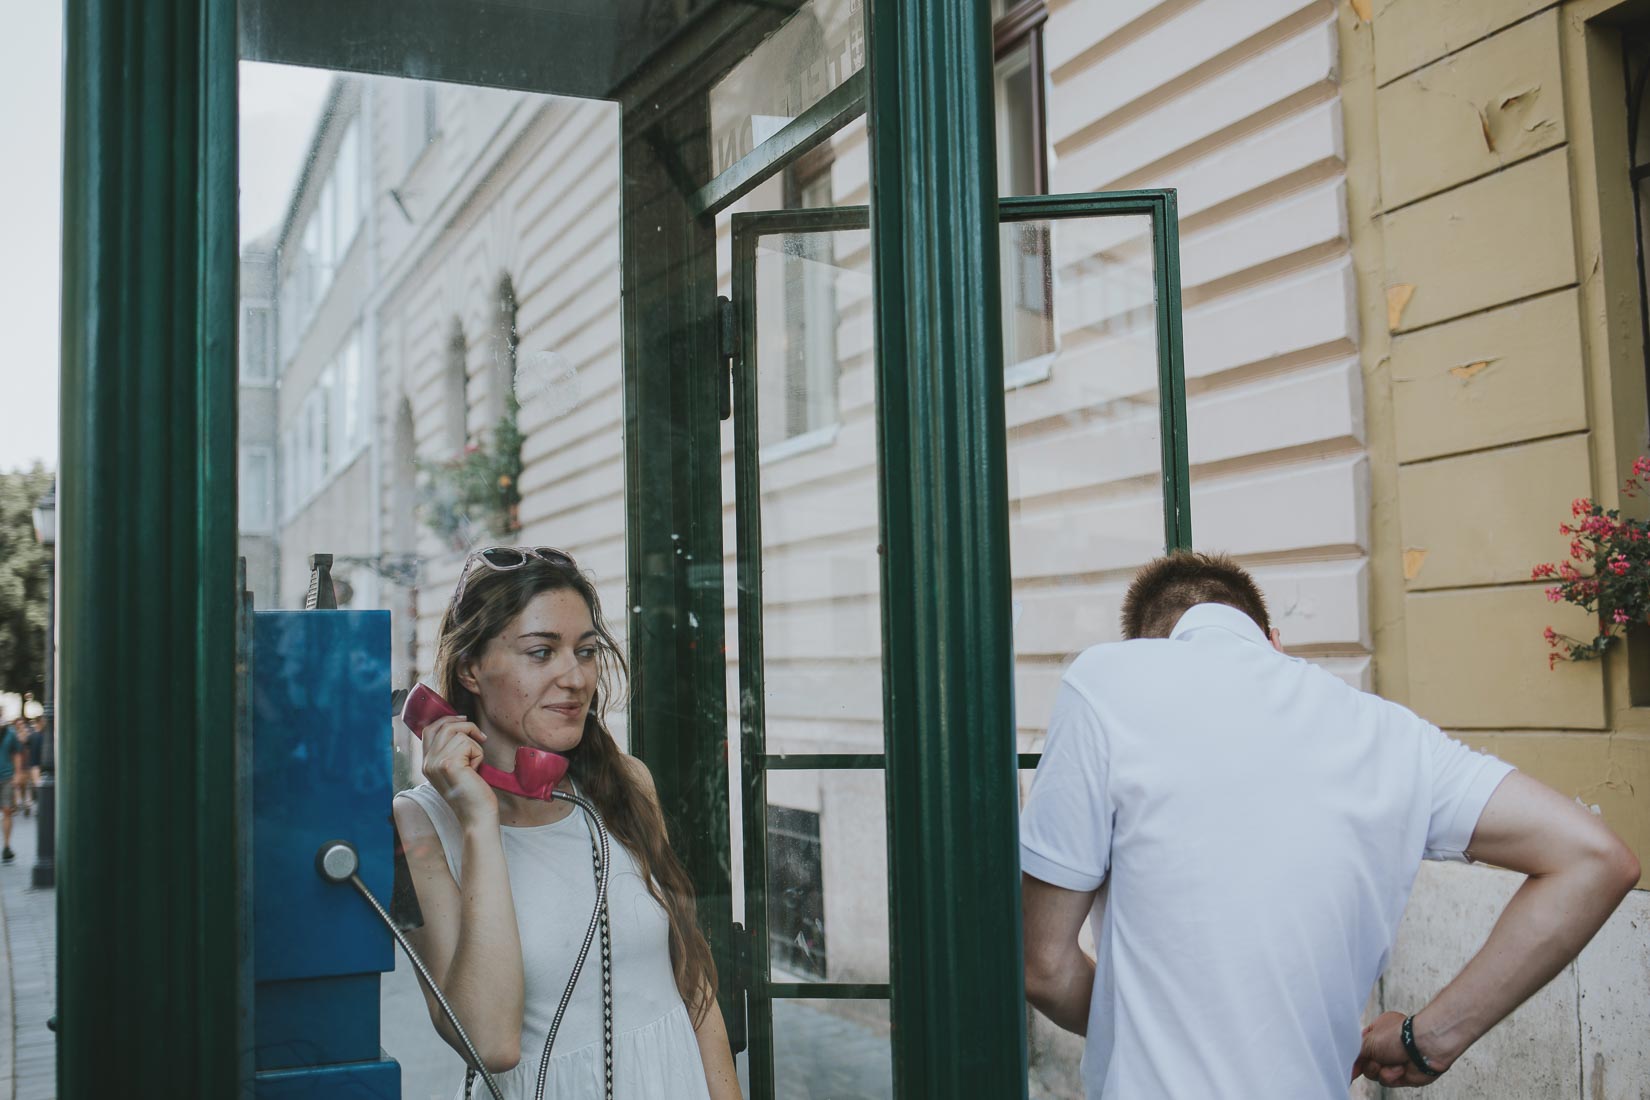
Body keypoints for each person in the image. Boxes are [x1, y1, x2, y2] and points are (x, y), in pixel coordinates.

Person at [1019, 551, 1640, 1097]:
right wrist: (1430, 1038)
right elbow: (1595, 859)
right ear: (1275, 641)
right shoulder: (1390, 733)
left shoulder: (1107, 680)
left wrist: (1150, 1026)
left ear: (1148, 648)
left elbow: (1043, 968)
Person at [393, 545, 740, 1099]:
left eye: (585, 651)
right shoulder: (417, 826)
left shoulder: (624, 782)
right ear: (470, 668)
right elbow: (490, 1043)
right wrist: (479, 821)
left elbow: (692, 981)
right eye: (541, 652)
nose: (575, 677)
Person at [0, 720, 22, 862]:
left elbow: (17, 754)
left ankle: (7, 846)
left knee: (7, 810)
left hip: (7, 777)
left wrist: (18, 774)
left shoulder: (10, 733)